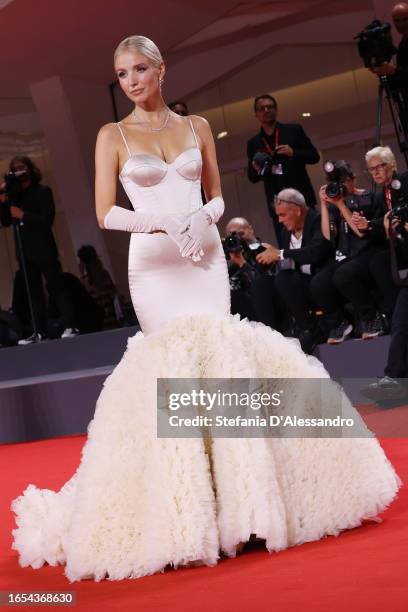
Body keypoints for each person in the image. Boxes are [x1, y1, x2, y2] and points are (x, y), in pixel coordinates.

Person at [11, 35, 400, 583]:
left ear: (161, 69)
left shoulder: (194, 129)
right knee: (175, 370)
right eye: (122, 74)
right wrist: (163, 222)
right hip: (155, 264)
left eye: (141, 69)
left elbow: (217, 195)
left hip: (204, 256)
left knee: (222, 362)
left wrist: (201, 219)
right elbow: (104, 213)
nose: (132, 81)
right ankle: (189, 515)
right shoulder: (111, 134)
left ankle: (247, 508)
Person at [0, 157, 78, 343]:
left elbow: (47, 220)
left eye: (21, 167)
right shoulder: (15, 198)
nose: (18, 171)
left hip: (43, 247)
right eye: (14, 169)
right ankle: (40, 332)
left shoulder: (42, 191)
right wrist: (3, 201)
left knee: (55, 286)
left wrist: (23, 214)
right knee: (33, 292)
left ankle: (70, 325)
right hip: (24, 251)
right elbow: (5, 221)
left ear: (29, 169)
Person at [312, 161, 391, 343]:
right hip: (343, 257)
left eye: (344, 182)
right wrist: (324, 205)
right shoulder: (333, 202)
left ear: (353, 179)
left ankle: (373, 318)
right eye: (336, 183)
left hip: (366, 252)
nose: (340, 187)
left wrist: (341, 205)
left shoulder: (368, 197)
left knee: (343, 275)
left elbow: (361, 232)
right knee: (318, 284)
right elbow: (328, 236)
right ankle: (341, 323)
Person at [256, 188, 332, 353]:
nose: (280, 220)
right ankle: (278, 335)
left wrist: (280, 253)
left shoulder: (318, 220)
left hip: (322, 280)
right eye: (278, 216)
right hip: (301, 284)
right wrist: (271, 258)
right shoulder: (285, 232)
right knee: (265, 283)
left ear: (298, 210)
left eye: (282, 215)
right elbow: (290, 259)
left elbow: (316, 252)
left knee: (285, 280)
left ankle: (309, 328)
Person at [247, 94, 320, 245]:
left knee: (313, 239)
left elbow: (314, 156)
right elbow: (252, 177)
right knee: (287, 245)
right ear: (256, 114)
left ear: (276, 109)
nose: (266, 110)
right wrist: (256, 168)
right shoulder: (254, 143)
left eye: (270, 107)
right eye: (262, 108)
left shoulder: (293, 130)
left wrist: (294, 153)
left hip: (301, 197)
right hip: (277, 203)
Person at [77, 245, 120, 329]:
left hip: (99, 324)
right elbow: (113, 294)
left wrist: (81, 273)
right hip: (112, 320)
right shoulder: (104, 274)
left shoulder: (85, 281)